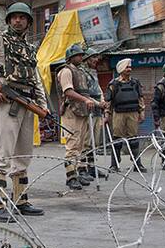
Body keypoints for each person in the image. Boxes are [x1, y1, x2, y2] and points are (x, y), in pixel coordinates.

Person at [0, 0, 48, 223]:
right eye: (14, 17)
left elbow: (36, 80)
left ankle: (21, 201)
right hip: (7, 103)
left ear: (28, 21)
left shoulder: (30, 48)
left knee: (23, 155)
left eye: (22, 17)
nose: (18, 21)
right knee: (2, 154)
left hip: (27, 103)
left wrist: (42, 107)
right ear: (8, 20)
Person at [56, 43, 99, 191]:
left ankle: (78, 172)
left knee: (80, 145)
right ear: (71, 57)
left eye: (81, 55)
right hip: (71, 111)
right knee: (72, 145)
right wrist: (85, 100)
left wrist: (98, 103)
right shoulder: (66, 71)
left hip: (82, 111)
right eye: (78, 55)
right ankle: (71, 177)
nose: (81, 57)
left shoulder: (80, 72)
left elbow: (85, 94)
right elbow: (68, 92)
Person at [105, 58, 147, 173]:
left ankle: (137, 164)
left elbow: (140, 98)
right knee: (117, 139)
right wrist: (107, 114)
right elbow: (108, 101)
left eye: (130, 67)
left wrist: (142, 112)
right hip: (118, 114)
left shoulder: (135, 82)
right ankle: (114, 165)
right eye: (127, 67)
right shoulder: (113, 84)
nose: (129, 69)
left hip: (133, 113)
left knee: (133, 139)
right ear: (121, 69)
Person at [80, 47, 108, 179]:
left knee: (94, 141)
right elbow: (84, 93)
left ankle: (92, 167)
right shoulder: (82, 73)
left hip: (98, 109)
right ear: (86, 59)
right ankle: (83, 167)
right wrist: (97, 103)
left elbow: (98, 90)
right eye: (93, 57)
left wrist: (102, 101)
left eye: (96, 57)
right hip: (88, 108)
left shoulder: (94, 72)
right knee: (86, 141)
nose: (96, 60)